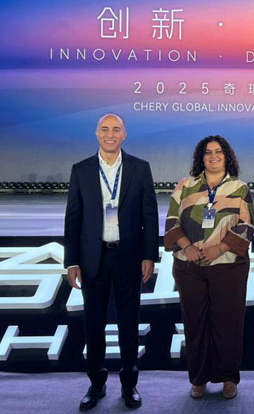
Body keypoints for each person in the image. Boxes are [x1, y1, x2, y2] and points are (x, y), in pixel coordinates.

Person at [64, 113, 158, 411]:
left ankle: (129, 384)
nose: (110, 134)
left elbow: (149, 215)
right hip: (94, 258)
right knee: (94, 323)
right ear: (96, 133)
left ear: (124, 135)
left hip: (129, 256)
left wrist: (149, 254)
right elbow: (73, 218)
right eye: (105, 129)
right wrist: (71, 261)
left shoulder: (139, 168)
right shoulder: (81, 170)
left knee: (129, 322)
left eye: (116, 129)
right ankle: (96, 383)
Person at [164, 135, 254, 400]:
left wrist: (220, 248)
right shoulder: (185, 186)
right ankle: (199, 378)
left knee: (229, 322)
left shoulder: (239, 188)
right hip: (189, 265)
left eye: (219, 151)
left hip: (228, 267)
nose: (213, 156)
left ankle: (229, 378)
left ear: (227, 156)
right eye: (207, 152)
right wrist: (188, 247)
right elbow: (171, 221)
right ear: (201, 157)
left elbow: (247, 225)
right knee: (195, 323)